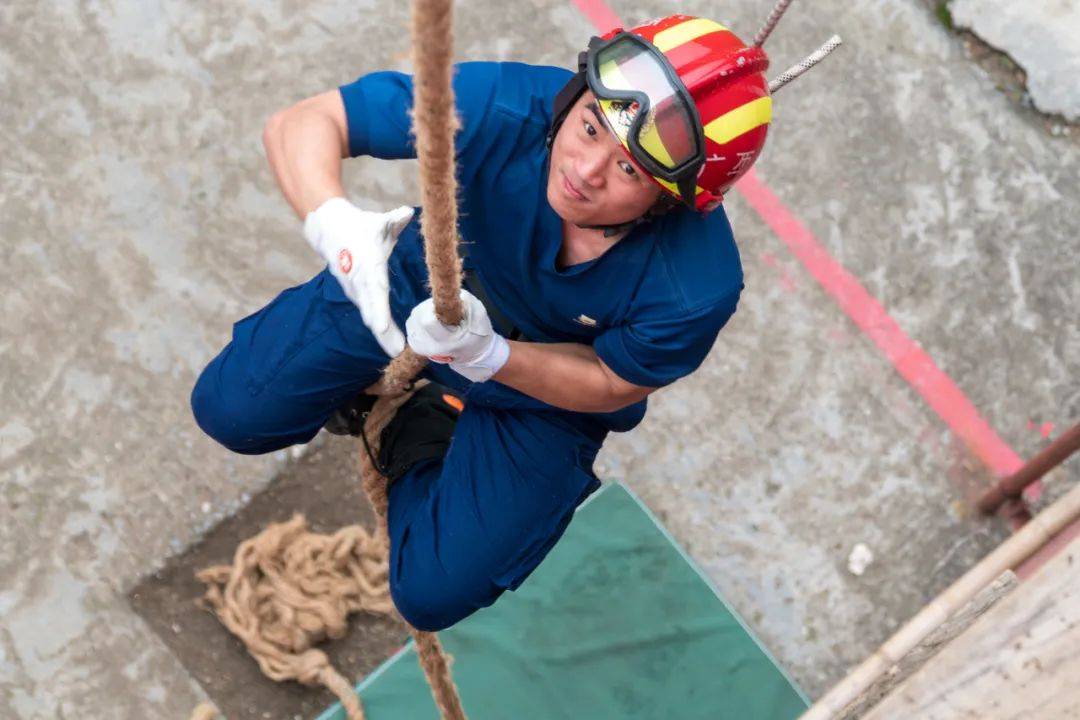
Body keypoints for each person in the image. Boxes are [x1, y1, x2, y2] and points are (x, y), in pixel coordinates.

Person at [191, 14, 774, 632]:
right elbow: (307, 123)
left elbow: (611, 381)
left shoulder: (694, 287)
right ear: (575, 95)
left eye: (630, 170)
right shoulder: (504, 107)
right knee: (232, 410)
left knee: (431, 593)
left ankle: (416, 430)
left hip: (546, 387)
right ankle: (365, 391)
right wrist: (333, 225)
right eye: (590, 127)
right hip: (419, 283)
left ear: (671, 200)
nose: (586, 169)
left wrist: (490, 357)